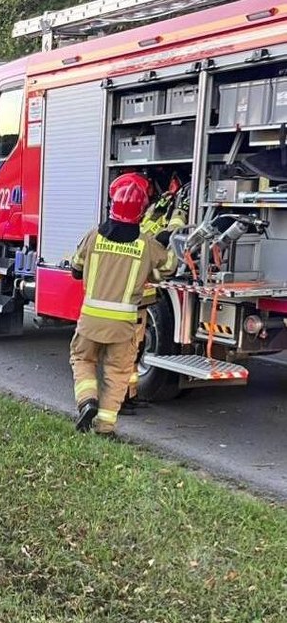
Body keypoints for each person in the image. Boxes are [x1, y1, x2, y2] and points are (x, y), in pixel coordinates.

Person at [69, 173, 177, 435]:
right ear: (141, 211)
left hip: (91, 321)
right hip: (124, 324)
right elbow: (167, 270)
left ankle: (87, 401)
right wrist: (165, 241)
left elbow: (75, 268)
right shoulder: (147, 245)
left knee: (82, 358)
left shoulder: (94, 236)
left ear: (112, 204)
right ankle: (105, 427)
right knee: (117, 373)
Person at [123, 183, 189, 412]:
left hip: (125, 306)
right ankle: (118, 402)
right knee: (126, 354)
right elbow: (167, 268)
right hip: (137, 305)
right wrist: (171, 237)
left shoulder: (110, 238)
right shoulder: (145, 242)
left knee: (128, 354)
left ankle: (126, 397)